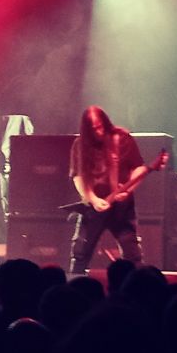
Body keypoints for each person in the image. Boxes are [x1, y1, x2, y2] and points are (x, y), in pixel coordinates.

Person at [67, 106, 148, 276]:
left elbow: (139, 167)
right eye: (94, 129)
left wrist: (129, 189)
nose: (99, 131)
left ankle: (135, 287)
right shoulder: (80, 145)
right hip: (94, 208)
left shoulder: (122, 138)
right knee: (80, 253)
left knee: (133, 254)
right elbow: (78, 177)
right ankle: (75, 285)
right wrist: (92, 198)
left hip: (121, 208)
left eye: (100, 126)